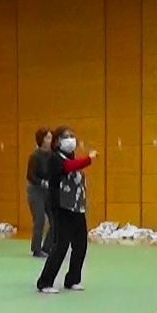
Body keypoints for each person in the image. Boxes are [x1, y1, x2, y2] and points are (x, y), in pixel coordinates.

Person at [35, 126, 96, 294]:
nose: (71, 139)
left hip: (77, 208)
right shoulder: (55, 159)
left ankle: (73, 279)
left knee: (81, 245)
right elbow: (68, 167)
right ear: (58, 141)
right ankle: (45, 282)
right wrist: (88, 159)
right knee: (61, 245)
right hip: (62, 207)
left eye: (72, 136)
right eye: (67, 136)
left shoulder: (71, 157)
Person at [26, 127, 54, 258]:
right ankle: (36, 249)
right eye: (48, 138)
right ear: (41, 140)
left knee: (55, 220)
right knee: (40, 219)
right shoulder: (35, 156)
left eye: (51, 138)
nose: (50, 140)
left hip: (49, 191)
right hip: (36, 191)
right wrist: (42, 182)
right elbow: (30, 175)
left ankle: (47, 248)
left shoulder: (53, 156)